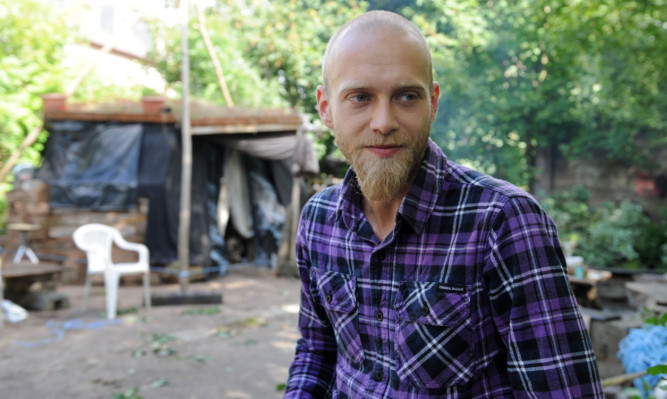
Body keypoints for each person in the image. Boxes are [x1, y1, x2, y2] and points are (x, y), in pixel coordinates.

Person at [284, 10, 603, 398]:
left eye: (406, 96)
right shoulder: (318, 221)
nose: (383, 121)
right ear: (325, 109)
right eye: (360, 97)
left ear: (432, 103)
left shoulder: (505, 222)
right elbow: (316, 351)